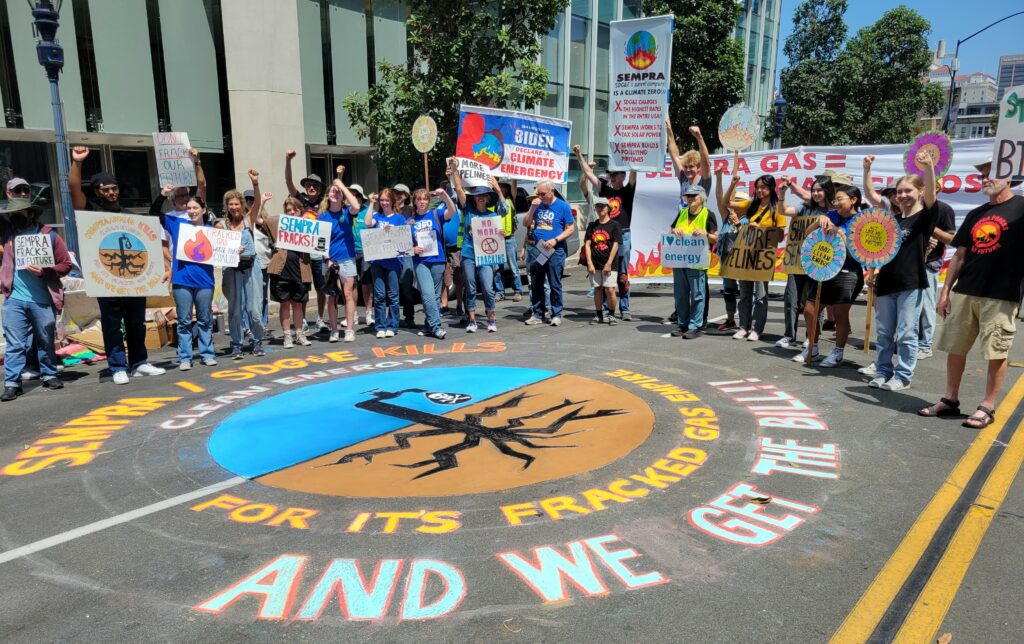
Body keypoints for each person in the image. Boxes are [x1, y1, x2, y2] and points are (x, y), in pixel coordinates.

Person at [919, 158, 1024, 428]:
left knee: (996, 351)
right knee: (955, 348)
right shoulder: (977, 213)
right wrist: (945, 293)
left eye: (991, 175)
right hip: (966, 291)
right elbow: (960, 255)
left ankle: (987, 406)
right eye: (983, 177)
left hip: (1001, 294)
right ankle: (950, 399)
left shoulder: (1022, 208)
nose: (985, 180)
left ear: (1009, 178)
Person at [70, 145, 166, 385]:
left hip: (133, 280)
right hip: (107, 278)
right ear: (97, 192)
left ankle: (139, 362)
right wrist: (78, 163)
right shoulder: (90, 209)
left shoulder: (129, 215)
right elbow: (73, 188)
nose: (111, 192)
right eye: (106, 189)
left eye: (114, 188)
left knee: (136, 322)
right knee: (112, 325)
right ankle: (117, 366)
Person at [861, 152, 939, 391]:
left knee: (906, 333)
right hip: (886, 283)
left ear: (919, 192)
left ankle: (903, 376)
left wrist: (928, 167)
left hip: (910, 282)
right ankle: (884, 371)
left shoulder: (924, 218)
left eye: (908, 191)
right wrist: (867, 170)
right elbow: (871, 196)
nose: (903, 195)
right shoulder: (891, 221)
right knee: (884, 333)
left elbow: (933, 195)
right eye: (900, 192)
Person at [0, 199, 72, 400]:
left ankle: (49, 375)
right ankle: (12, 383)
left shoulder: (48, 236)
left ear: (31, 213)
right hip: (14, 298)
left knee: (45, 340)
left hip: (42, 298)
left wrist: (45, 271)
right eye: (12, 212)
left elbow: (66, 264)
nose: (15, 216)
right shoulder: (8, 234)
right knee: (15, 343)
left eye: (20, 212)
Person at [795, 184, 865, 366]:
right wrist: (817, 221)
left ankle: (838, 352)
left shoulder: (861, 221)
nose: (836, 203)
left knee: (841, 314)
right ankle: (812, 347)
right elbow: (808, 236)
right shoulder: (831, 215)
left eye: (840, 199)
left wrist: (841, 234)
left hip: (847, 272)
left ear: (854, 200)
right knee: (810, 310)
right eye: (834, 200)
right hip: (824, 270)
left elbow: (856, 254)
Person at [577, 145, 638, 321]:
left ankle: (624, 309)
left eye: (615, 174)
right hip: (606, 237)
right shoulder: (605, 188)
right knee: (605, 274)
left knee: (623, 274)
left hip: (623, 234)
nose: (611, 176)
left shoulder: (627, 191)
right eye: (610, 173)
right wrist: (579, 155)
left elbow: (634, 171)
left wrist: (635, 151)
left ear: (622, 176)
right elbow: (588, 174)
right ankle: (605, 309)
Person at [161, 195, 220, 370]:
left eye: (195, 208)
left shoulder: (212, 230)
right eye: (189, 208)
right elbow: (154, 213)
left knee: (205, 319)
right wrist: (162, 195)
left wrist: (235, 250)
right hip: (181, 280)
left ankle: (207, 354)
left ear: (203, 210)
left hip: (204, 282)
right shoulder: (178, 225)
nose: (192, 211)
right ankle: (185, 358)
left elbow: (226, 250)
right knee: (184, 321)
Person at [775, 176, 835, 350]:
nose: (816, 193)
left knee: (815, 302)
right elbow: (784, 211)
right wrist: (781, 195)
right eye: (814, 190)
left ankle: (811, 337)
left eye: (820, 190)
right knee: (791, 299)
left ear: (827, 191)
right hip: (797, 261)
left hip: (818, 264)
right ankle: (789, 336)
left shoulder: (833, 212)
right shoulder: (805, 208)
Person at [729, 174, 788, 342]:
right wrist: (742, 226)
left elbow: (779, 237)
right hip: (746, 254)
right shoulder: (751, 205)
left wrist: (760, 229)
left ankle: (757, 328)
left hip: (763, 257)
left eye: (763, 187)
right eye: (758, 187)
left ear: (771, 189)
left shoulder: (777, 208)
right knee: (745, 293)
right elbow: (727, 203)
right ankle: (743, 326)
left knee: (761, 295)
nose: (760, 190)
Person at [449, 158, 505, 333]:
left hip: (487, 256)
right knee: (471, 288)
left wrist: (497, 188)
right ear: (475, 198)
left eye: (484, 195)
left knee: (488, 288)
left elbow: (504, 209)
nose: (481, 198)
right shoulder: (468, 210)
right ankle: (472, 320)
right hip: (468, 254)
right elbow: (459, 189)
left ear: (488, 198)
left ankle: (490, 318)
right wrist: (454, 169)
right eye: (478, 195)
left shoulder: (492, 215)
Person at [217, 171, 267, 358]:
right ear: (227, 206)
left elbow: (258, 202)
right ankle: (236, 343)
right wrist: (230, 250)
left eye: (237, 203)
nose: (234, 207)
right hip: (232, 270)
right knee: (235, 309)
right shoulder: (221, 225)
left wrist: (255, 183)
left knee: (254, 309)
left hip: (251, 268)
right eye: (231, 204)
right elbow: (217, 248)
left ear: (242, 204)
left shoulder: (249, 220)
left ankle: (257, 341)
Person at [259, 196, 314, 348]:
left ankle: (300, 334)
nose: (291, 212)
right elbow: (258, 220)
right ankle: (287, 336)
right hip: (281, 269)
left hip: (300, 269)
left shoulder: (307, 225)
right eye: (288, 210)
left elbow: (320, 239)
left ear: (300, 210)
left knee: (297, 305)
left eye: (294, 209)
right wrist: (262, 202)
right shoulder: (279, 223)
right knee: (284, 304)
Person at [284, 150, 328, 333]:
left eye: (315, 186)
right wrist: (288, 160)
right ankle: (301, 320)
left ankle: (319, 318)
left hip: (318, 252)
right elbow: (288, 182)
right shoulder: (299, 199)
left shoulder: (324, 203)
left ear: (319, 189)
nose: (312, 188)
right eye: (309, 185)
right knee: (302, 288)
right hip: (302, 253)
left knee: (321, 288)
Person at [523, 179, 575, 327]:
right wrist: (532, 209)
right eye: (538, 193)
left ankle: (556, 313)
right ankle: (537, 314)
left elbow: (570, 228)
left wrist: (555, 239)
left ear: (552, 191)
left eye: (543, 194)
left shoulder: (562, 206)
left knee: (554, 283)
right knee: (537, 282)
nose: (540, 196)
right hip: (539, 249)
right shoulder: (537, 205)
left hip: (555, 249)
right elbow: (526, 223)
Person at [670, 186, 718, 339]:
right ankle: (682, 324)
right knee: (680, 295)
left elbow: (715, 237)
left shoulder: (708, 214)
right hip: (680, 261)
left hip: (698, 261)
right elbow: (671, 230)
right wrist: (674, 231)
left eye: (693, 196)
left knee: (697, 294)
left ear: (701, 198)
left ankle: (695, 325)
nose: (690, 199)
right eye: (688, 196)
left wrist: (705, 234)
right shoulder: (682, 213)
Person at [319, 171, 362, 342]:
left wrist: (341, 185)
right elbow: (320, 241)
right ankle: (334, 329)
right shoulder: (322, 215)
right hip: (330, 259)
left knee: (348, 293)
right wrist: (327, 258)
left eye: (338, 192)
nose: (335, 194)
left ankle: (350, 329)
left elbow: (357, 206)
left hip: (347, 257)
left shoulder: (347, 211)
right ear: (328, 195)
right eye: (332, 191)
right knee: (332, 295)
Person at [410, 188, 456, 339]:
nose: (422, 202)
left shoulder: (436, 214)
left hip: (438, 260)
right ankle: (436, 327)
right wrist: (412, 249)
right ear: (415, 202)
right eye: (419, 199)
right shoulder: (410, 222)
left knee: (435, 296)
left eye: (425, 199)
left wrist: (444, 195)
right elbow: (403, 246)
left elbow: (452, 211)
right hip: (421, 261)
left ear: (429, 201)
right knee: (428, 294)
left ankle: (429, 325)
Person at [713, 167, 751, 332]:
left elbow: (749, 238)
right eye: (733, 199)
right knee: (728, 290)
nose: (734, 202)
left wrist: (738, 223)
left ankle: (745, 322)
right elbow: (719, 198)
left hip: (742, 260)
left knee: (744, 292)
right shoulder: (726, 216)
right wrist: (720, 177)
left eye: (738, 200)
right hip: (727, 259)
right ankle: (730, 319)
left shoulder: (749, 219)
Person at [365, 188, 406, 338]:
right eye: (382, 200)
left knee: (393, 296)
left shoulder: (399, 218)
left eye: (386, 200)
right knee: (379, 296)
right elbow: (368, 222)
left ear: (392, 201)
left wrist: (392, 231)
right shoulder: (377, 216)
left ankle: (392, 325)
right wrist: (371, 203)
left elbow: (404, 239)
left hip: (394, 262)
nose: (384, 203)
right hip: (378, 262)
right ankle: (380, 325)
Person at [584, 197, 621, 325]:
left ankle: (611, 314)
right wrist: (589, 262)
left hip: (609, 263)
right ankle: (599, 314)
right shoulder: (592, 225)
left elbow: (616, 245)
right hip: (595, 263)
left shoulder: (615, 225)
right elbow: (587, 245)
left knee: (610, 289)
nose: (600, 209)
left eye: (603, 206)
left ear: (608, 209)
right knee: (597, 289)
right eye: (598, 206)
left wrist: (609, 263)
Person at [248, 189, 274, 338]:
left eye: (254, 200)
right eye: (249, 200)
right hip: (249, 265)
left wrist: (261, 202)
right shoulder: (244, 221)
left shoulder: (265, 222)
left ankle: (263, 324)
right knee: (251, 297)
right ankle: (250, 326)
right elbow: (252, 217)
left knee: (263, 297)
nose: (251, 202)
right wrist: (261, 200)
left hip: (265, 264)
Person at [493, 181, 523, 302]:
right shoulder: (492, 201)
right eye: (499, 186)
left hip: (509, 238)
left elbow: (514, 187)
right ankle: (500, 292)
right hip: (496, 240)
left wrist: (513, 178)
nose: (501, 188)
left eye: (504, 186)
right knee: (497, 268)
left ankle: (518, 291)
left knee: (513, 267)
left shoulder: (511, 200)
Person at [349, 184, 374, 327]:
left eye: (357, 195)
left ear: (361, 197)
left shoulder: (367, 210)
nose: (355, 198)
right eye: (352, 195)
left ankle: (369, 313)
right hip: (349, 251)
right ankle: (354, 315)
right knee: (351, 284)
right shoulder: (346, 210)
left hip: (365, 250)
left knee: (366, 283)